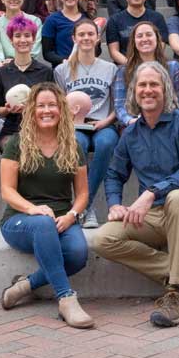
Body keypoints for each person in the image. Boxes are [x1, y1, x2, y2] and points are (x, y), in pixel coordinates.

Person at [92, 61, 179, 327]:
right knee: (103, 239)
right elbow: (114, 174)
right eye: (142, 85)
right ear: (134, 92)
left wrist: (149, 194)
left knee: (176, 197)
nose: (147, 90)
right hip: (153, 217)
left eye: (154, 84)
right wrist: (114, 204)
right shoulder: (131, 133)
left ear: (165, 90)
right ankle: (176, 269)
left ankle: (177, 293)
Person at [0, 83, 93, 328]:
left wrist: (72, 215)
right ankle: (66, 299)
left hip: (62, 218)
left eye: (52, 105)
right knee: (42, 222)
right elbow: (7, 191)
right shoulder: (17, 143)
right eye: (41, 105)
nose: (46, 110)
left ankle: (25, 285)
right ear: (31, 110)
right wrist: (33, 209)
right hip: (20, 219)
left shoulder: (73, 144)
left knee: (78, 255)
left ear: (61, 109)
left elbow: (82, 193)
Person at [54, 19, 118, 229]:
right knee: (76, 144)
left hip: (103, 123)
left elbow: (117, 105)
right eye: (81, 34)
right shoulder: (62, 70)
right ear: (74, 38)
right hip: (75, 126)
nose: (86, 38)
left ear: (98, 37)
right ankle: (86, 209)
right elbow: (60, 104)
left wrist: (106, 122)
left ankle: (83, 206)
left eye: (90, 34)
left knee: (107, 143)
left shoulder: (110, 68)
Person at [0, 16, 54, 152]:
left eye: (27, 35)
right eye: (17, 36)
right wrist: (8, 109)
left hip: (41, 128)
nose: (22, 40)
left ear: (33, 40)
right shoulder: (1, 73)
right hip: (12, 130)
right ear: (11, 40)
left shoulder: (45, 72)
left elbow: (54, 105)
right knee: (13, 147)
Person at [113, 21, 179, 128]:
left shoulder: (173, 67)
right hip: (135, 124)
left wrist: (168, 120)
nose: (145, 39)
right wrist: (130, 121)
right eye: (140, 36)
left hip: (169, 124)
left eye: (149, 35)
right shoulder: (123, 71)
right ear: (134, 42)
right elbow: (119, 106)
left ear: (157, 39)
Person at [105, 0, 169, 65]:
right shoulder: (114, 20)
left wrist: (147, 65)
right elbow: (114, 52)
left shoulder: (157, 18)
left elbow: (160, 47)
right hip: (125, 67)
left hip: (153, 65)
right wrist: (131, 66)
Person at [42, 0, 90, 67]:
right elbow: (47, 53)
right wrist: (66, 62)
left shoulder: (87, 19)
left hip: (85, 68)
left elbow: (96, 52)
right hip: (62, 70)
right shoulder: (51, 20)